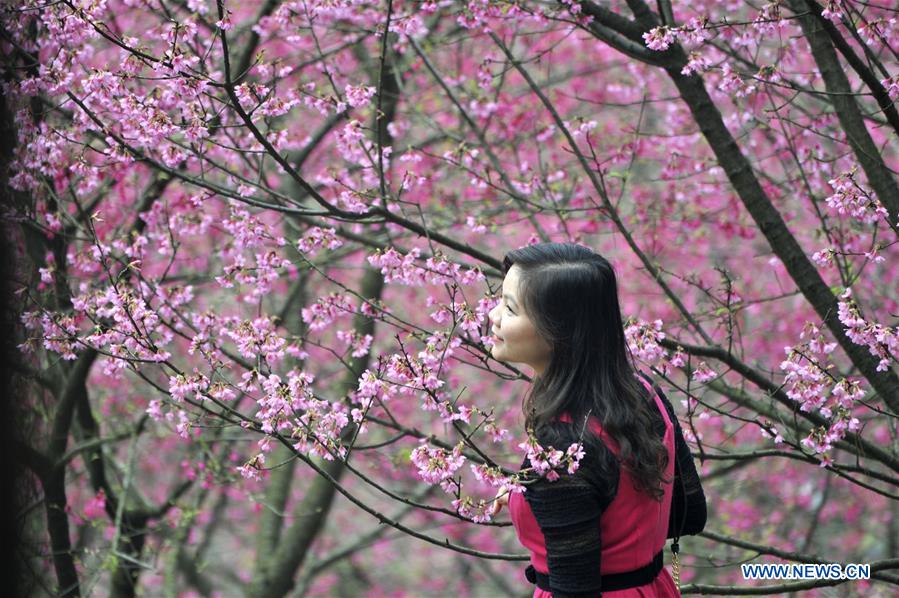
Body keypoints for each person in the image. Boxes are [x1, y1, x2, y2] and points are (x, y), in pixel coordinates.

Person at [487, 242, 707, 597]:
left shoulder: (560, 448)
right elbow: (689, 512)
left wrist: (556, 494)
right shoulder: (643, 394)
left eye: (510, 309)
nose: (493, 316)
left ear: (559, 331)